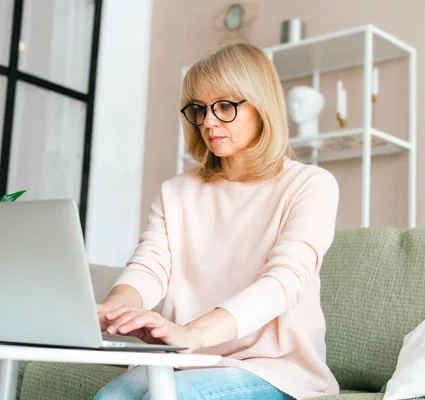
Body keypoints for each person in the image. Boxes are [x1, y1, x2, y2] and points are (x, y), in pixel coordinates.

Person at [94, 43, 340, 400]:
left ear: (261, 106)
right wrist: (114, 306)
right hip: (185, 361)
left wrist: (193, 333)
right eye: (199, 109)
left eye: (225, 106)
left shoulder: (310, 185)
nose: (209, 122)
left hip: (275, 369)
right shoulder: (175, 192)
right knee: (111, 398)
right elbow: (149, 268)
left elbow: (284, 282)